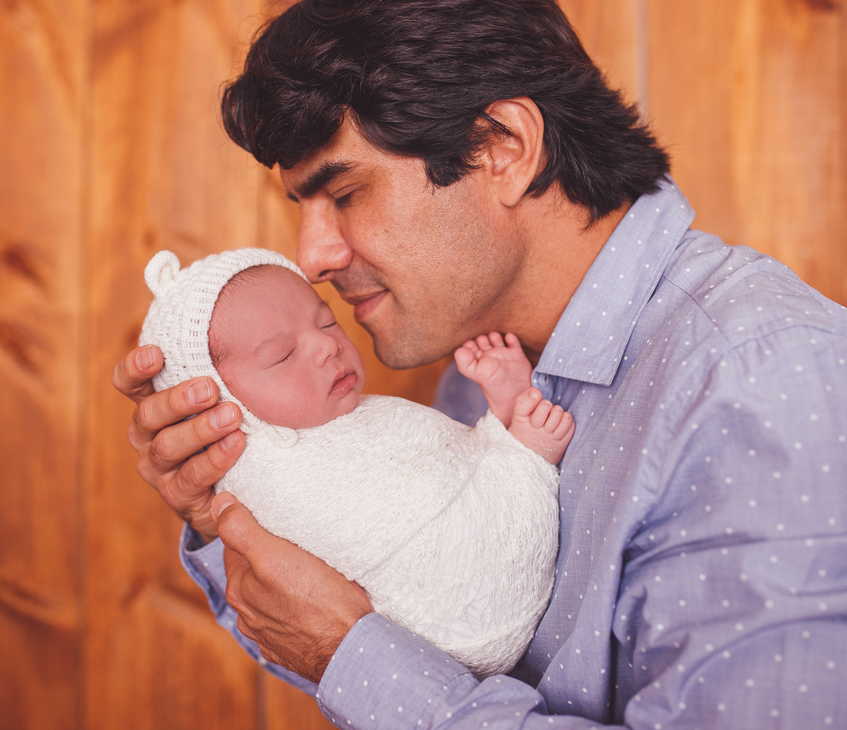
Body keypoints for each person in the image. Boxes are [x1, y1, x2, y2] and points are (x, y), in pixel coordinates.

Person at [111, 0, 847, 728]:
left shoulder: (784, 391)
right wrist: (232, 493)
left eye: (344, 194)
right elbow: (432, 625)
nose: (314, 256)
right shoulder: (480, 370)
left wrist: (352, 656)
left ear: (503, 146)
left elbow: (373, 661)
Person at [137, 246, 570, 675]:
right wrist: (517, 454)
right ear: (218, 405)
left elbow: (440, 466)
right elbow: (382, 534)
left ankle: (508, 432)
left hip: (448, 637)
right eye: (283, 356)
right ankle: (524, 451)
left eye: (327, 321)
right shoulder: (272, 478)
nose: (327, 345)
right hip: (456, 620)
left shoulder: (349, 418)